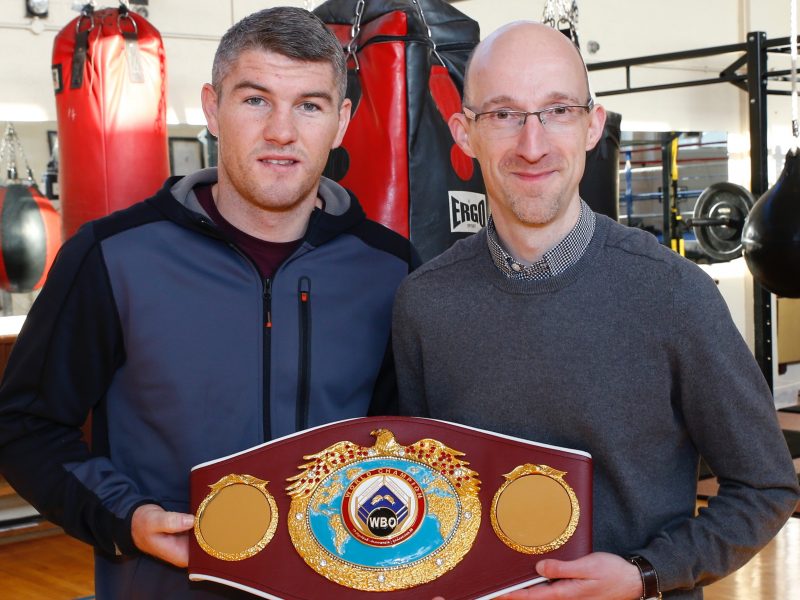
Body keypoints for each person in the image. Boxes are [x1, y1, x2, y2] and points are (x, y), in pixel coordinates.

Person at [0, 7, 414, 599]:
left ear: (342, 121)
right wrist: (127, 518)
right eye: (255, 100)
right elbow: (25, 426)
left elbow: (407, 445)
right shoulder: (112, 256)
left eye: (310, 105)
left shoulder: (389, 268)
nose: (281, 131)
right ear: (210, 108)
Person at [393, 21, 800, 600]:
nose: (532, 144)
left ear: (592, 125)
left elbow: (766, 486)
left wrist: (646, 574)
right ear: (464, 134)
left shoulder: (674, 295)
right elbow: (417, 487)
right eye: (504, 114)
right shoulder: (424, 303)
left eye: (557, 110)